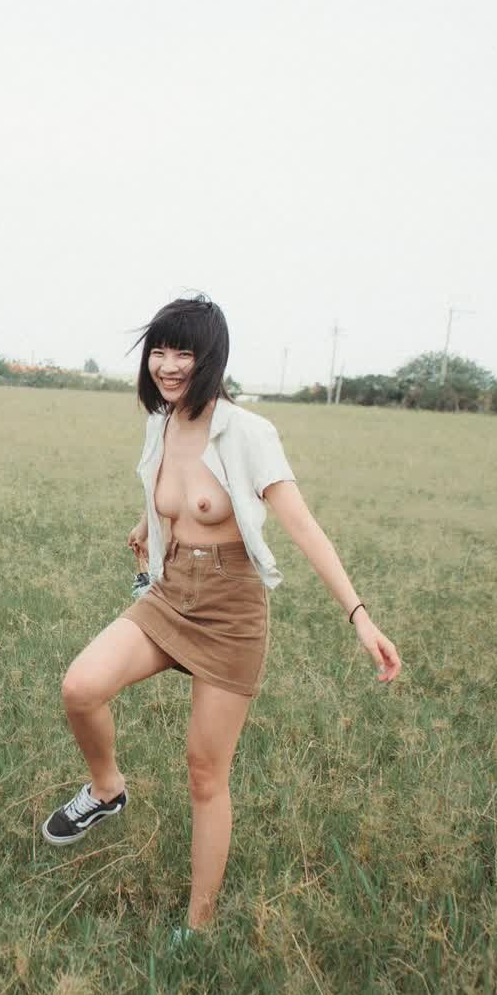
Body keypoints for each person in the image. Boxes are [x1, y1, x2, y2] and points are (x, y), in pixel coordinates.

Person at [40, 295, 402, 934]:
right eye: (158, 351)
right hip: (169, 591)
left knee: (205, 773)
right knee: (80, 686)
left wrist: (360, 616)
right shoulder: (161, 424)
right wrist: (149, 526)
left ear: (211, 358)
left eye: (183, 352)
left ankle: (198, 924)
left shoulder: (249, 432)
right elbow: (179, 496)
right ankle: (106, 790)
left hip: (231, 610)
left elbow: (303, 526)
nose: (168, 365)